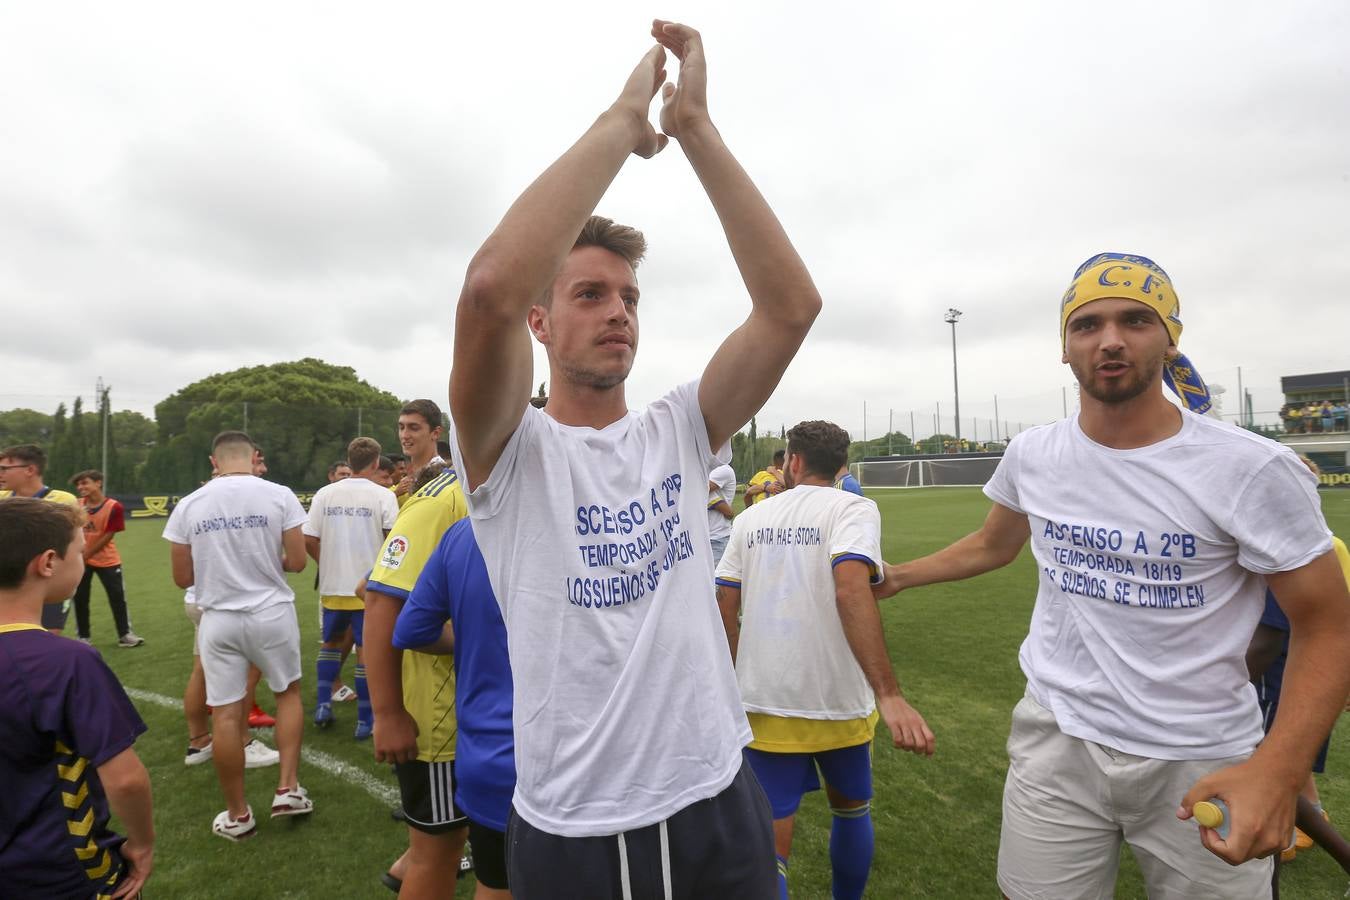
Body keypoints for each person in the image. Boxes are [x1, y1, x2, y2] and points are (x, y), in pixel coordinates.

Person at [448, 20, 821, 896]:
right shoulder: (509, 450)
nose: (618, 311)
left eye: (628, 296)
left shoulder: (679, 428)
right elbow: (491, 287)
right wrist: (626, 120)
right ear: (541, 324)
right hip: (579, 819)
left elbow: (790, 307)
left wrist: (696, 130)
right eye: (588, 294)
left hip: (716, 788)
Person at [873, 252, 1350, 897]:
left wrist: (1277, 769)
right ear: (1065, 347)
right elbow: (994, 544)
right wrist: (899, 576)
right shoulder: (1035, 454)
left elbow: (1327, 626)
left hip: (1200, 752)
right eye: (1087, 325)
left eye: (1136, 320)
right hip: (1056, 736)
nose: (1110, 341)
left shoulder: (1251, 468)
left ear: (1170, 338)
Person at [716, 420, 933, 900]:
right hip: (839, 698)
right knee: (852, 810)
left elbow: (724, 608)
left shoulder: (751, 518)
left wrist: (727, 682)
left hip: (763, 697)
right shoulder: (854, 507)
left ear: (792, 462)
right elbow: (852, 584)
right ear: (843, 466)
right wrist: (889, 693)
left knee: (771, 840)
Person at [0, 498, 155, 898]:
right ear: (48, 562)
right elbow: (126, 780)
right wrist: (141, 843)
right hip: (58, 873)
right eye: (80, 552)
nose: (83, 560)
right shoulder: (66, 662)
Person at [163, 431, 313, 840]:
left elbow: (182, 577)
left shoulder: (190, 504)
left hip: (219, 618)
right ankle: (288, 788)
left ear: (214, 462)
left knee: (226, 713)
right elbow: (298, 562)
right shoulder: (280, 494)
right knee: (288, 694)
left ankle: (237, 814)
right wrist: (266, 561)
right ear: (254, 456)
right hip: (271, 612)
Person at [393, 518, 514, 900]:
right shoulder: (596, 524)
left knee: (497, 886)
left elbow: (413, 628)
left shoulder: (464, 533)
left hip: (488, 758)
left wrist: (474, 638)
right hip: (575, 757)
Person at [365, 461, 470, 897]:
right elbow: (377, 600)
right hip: (440, 721)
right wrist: (388, 712)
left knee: (460, 843)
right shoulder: (441, 500)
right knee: (438, 854)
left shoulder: (508, 486)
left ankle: (406, 865)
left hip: (483, 713)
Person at [304, 437, 399, 738]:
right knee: (366, 651)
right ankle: (364, 721)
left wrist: (328, 563)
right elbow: (392, 542)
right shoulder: (383, 495)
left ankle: (323, 705)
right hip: (367, 589)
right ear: (375, 463)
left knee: (330, 646)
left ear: (349, 460)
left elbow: (309, 538)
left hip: (333, 587)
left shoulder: (324, 494)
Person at [0, 443, 82, 633]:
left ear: (30, 470)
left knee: (48, 634)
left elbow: (71, 547)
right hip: (8, 581)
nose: (1, 473)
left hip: (48, 580)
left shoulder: (63, 501)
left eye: (5, 468)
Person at [69, 469, 144, 647]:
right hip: (81, 560)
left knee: (117, 597)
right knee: (80, 598)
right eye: (78, 484)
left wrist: (86, 555)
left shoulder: (114, 506)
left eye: (84, 482)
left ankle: (125, 635)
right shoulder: (76, 506)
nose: (81, 487)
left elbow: (109, 534)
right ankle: (83, 638)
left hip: (107, 560)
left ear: (98, 483)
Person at [393, 400, 445, 507]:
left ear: (436, 433)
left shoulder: (444, 480)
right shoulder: (401, 486)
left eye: (414, 428)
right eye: (401, 427)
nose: (404, 435)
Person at [707, 462, 737, 566]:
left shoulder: (723, 470)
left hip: (717, 539)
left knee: (715, 580)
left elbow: (701, 487)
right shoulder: (705, 469)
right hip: (703, 538)